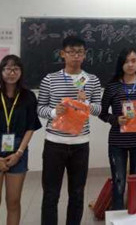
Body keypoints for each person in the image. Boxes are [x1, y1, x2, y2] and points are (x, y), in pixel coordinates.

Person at [37, 36, 103, 225]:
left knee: (77, 193)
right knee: (51, 193)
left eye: (79, 52)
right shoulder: (50, 79)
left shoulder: (92, 80)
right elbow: (40, 108)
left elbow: (98, 109)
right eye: (71, 52)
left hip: (80, 144)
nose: (76, 56)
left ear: (85, 55)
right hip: (54, 144)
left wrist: (85, 103)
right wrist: (53, 112)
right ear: (62, 54)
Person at [0, 55, 42, 225]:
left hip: (18, 150)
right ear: (1, 72)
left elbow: (30, 127)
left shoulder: (29, 97)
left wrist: (19, 153)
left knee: (13, 202)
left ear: (21, 72)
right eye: (7, 69)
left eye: (16, 69)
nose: (11, 73)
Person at [99, 47, 136, 210]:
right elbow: (102, 113)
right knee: (119, 183)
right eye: (126, 61)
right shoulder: (112, 86)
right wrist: (115, 119)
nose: (130, 65)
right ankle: (117, 217)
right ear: (121, 64)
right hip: (117, 141)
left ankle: (134, 216)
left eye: (134, 60)